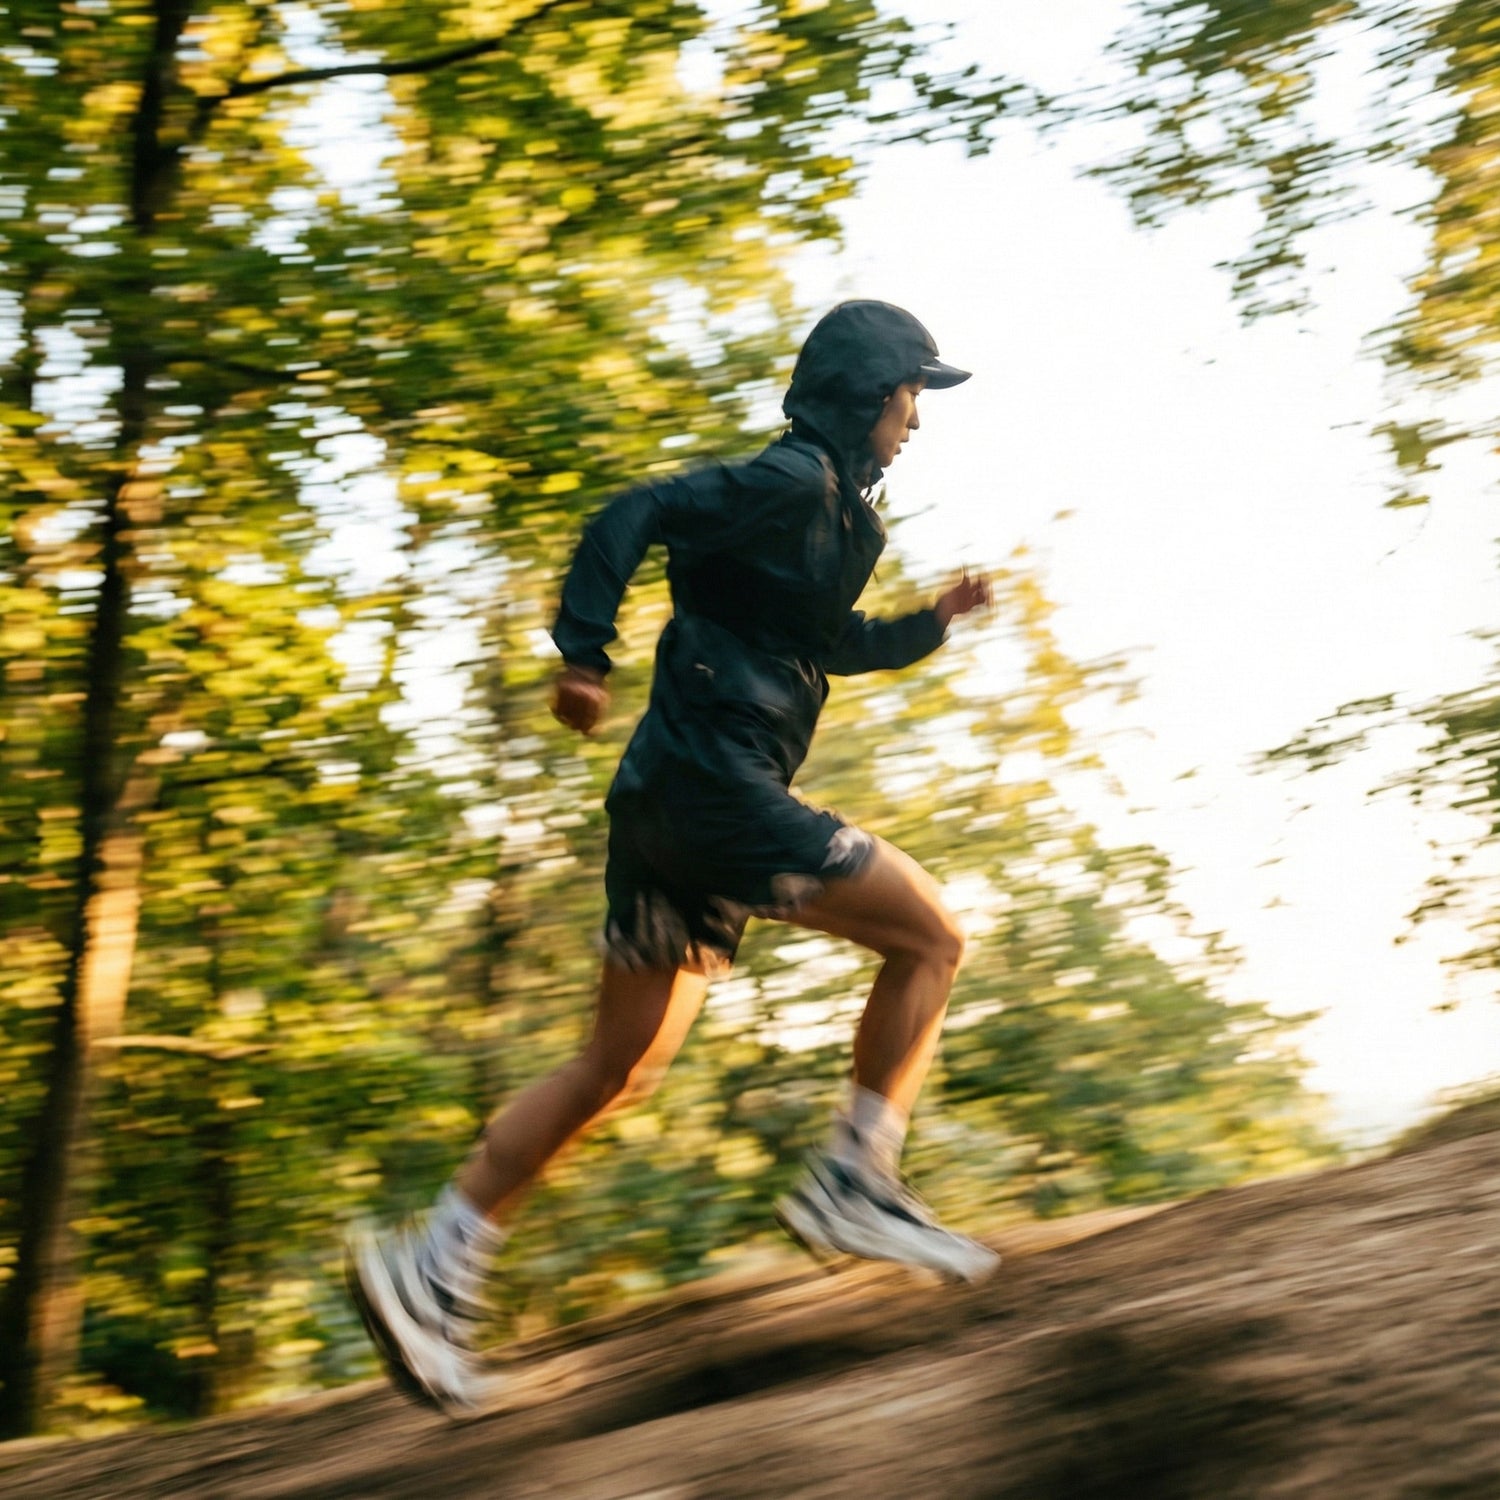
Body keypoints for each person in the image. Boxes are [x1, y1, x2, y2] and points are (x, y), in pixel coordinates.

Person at [348, 300, 997, 1417]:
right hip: (716, 789)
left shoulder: (834, 518)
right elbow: (637, 508)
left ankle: (429, 1266)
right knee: (932, 937)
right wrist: (584, 655)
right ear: (865, 395)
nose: (916, 421)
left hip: (669, 802)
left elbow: (824, 644)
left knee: (619, 1065)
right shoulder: (787, 482)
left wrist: (930, 623)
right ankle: (856, 1179)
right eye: (909, 397)